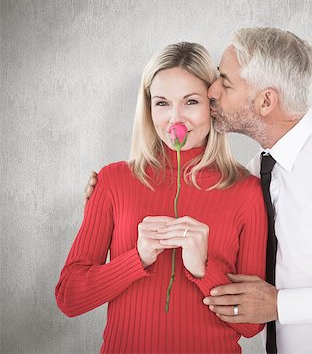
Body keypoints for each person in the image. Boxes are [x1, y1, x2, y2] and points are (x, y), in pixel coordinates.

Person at [85, 28, 312, 354]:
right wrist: (109, 196)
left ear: (265, 101)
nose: (211, 91)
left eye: (225, 82)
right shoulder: (260, 170)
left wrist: (280, 305)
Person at [56, 42, 268, 353]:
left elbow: (250, 326)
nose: (175, 119)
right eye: (162, 103)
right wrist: (136, 258)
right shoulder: (113, 181)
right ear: (148, 107)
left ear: (212, 104)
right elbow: (69, 298)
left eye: (191, 102)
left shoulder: (246, 191)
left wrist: (203, 270)